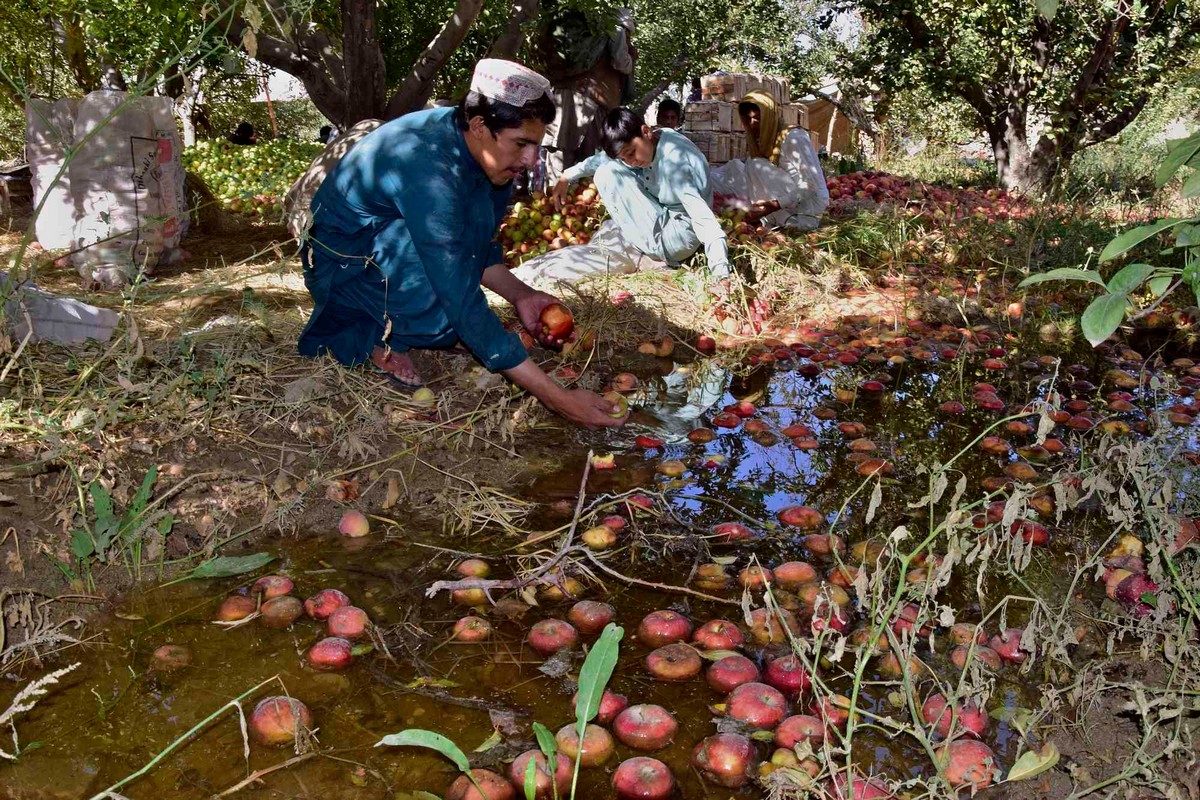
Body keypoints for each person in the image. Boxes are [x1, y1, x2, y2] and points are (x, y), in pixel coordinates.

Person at [298, 59, 625, 429]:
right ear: (480, 126)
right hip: (345, 264)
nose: (531, 159)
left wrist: (522, 295)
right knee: (445, 315)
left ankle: (415, 322)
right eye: (521, 143)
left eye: (536, 144)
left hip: (395, 243)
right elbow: (457, 288)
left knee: (457, 306)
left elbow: (480, 248)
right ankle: (378, 336)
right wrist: (559, 399)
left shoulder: (490, 163)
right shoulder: (427, 165)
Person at [551, 107, 731, 282]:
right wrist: (567, 176)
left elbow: (705, 220)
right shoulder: (660, 137)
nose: (631, 162)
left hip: (678, 238)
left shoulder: (674, 167)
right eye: (624, 158)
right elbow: (604, 159)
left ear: (645, 131)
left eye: (631, 153)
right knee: (610, 167)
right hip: (668, 215)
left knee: (605, 175)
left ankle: (655, 254)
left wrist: (720, 273)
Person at [536, 6, 637, 179]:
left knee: (560, 160)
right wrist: (631, 56)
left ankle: (556, 201)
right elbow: (622, 63)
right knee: (591, 165)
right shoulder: (617, 28)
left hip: (564, 100)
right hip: (591, 105)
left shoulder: (585, 31)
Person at [713, 91, 829, 231]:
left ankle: (796, 221)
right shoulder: (766, 139)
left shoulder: (794, 137)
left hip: (810, 203)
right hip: (789, 199)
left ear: (769, 115)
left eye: (757, 118)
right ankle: (774, 219)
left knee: (756, 164)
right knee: (747, 165)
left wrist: (773, 205)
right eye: (748, 119)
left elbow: (810, 185)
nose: (753, 124)